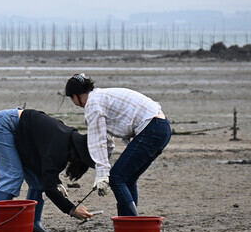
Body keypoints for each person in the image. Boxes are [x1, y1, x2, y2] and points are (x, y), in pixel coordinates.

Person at [64, 73, 171, 217]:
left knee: (117, 178)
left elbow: (98, 141)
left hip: (151, 128)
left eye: (71, 98)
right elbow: (107, 142)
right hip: (161, 127)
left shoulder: (93, 105)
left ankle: (132, 226)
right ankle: (127, 226)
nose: (73, 101)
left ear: (75, 96)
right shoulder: (100, 97)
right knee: (127, 178)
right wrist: (103, 167)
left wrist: (102, 175)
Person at [0, 108, 96, 232]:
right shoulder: (59, 148)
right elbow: (49, 187)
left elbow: (46, 172)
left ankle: (33, 224)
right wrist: (72, 209)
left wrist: (56, 182)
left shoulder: (67, 140)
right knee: (12, 176)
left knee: (38, 181)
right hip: (5, 123)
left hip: (23, 134)